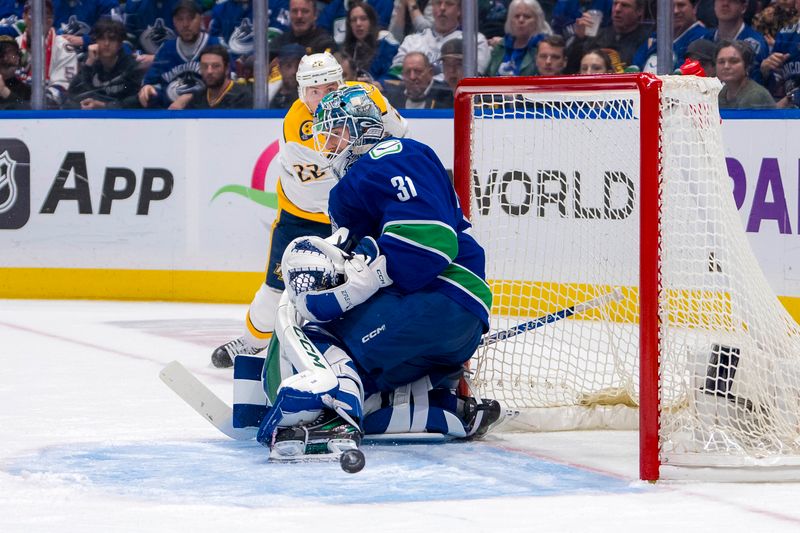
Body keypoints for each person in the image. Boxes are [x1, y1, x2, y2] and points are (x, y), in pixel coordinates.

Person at [241, 85, 503, 455]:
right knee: (369, 387)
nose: (328, 146)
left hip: (438, 297)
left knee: (322, 338)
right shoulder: (348, 189)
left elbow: (430, 243)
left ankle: (335, 416)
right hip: (450, 322)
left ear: (362, 126)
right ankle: (447, 412)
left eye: (335, 132)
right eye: (324, 137)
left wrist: (360, 283)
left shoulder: (391, 153)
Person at [210, 51, 408, 368]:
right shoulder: (298, 127)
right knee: (276, 288)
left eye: (329, 88)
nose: (321, 97)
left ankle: (359, 347)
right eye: (314, 91)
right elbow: (336, 172)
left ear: (341, 83)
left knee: (366, 284)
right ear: (302, 91)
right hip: (303, 216)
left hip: (353, 215)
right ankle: (249, 343)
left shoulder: (367, 97)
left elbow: (400, 134)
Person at [138, 0, 220, 109]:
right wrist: (147, 87)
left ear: (200, 19)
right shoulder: (166, 49)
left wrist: (189, 98)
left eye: (190, 18)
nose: (185, 24)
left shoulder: (215, 45)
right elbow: (150, 81)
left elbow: (225, 86)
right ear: (174, 22)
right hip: (170, 112)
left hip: (205, 112)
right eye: (180, 19)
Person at [390, 0, 491, 78]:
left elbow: (473, 77)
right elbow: (396, 72)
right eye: (438, 3)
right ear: (432, 7)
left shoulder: (475, 41)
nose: (442, 8)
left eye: (449, 3)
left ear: (459, 10)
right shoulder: (411, 41)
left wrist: (425, 80)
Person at [65, 18, 143, 109]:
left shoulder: (130, 65)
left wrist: (104, 106)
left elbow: (136, 99)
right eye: (102, 39)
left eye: (112, 39)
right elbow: (74, 94)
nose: (106, 44)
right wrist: (89, 64)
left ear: (120, 44)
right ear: (95, 41)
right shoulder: (90, 61)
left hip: (122, 118)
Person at [16, 0, 78, 108]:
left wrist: (26, 103)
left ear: (51, 20)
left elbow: (62, 88)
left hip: (52, 114)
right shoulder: (15, 45)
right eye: (32, 14)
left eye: (46, 14)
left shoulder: (64, 47)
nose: (39, 19)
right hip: (14, 109)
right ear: (24, 17)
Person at [566, 0, 652, 72]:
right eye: (615, 4)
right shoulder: (597, 35)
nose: (617, 9)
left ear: (639, 11)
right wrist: (579, 38)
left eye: (625, 5)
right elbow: (571, 69)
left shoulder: (648, 40)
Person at [632, 0, 710, 73]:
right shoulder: (655, 37)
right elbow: (636, 65)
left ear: (694, 8)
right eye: (670, 6)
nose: (675, 11)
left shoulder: (703, 37)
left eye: (681, 5)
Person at [705, 0, 768, 81]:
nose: (725, 4)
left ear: (744, 7)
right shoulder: (705, 38)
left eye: (732, 0)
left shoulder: (755, 43)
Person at [486, 0, 552, 77]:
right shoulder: (501, 46)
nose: (521, 20)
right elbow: (488, 75)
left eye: (527, 16)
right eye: (517, 16)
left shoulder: (544, 47)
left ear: (537, 21)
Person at [342, 2, 399, 83]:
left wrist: (377, 84)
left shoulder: (385, 42)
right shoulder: (348, 48)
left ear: (371, 21)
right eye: (354, 20)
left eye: (363, 19)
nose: (358, 23)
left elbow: (395, 76)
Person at [184, 44, 253, 109]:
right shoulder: (196, 98)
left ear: (227, 69)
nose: (209, 71)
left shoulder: (242, 97)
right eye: (204, 66)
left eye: (215, 66)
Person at [760, 0, 800, 105]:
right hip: (788, 111)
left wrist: (791, 98)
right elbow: (774, 82)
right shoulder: (785, 34)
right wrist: (765, 70)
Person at [269, 0, 337, 60]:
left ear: (315, 15)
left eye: (305, 11)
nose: (299, 16)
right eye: (294, 11)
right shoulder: (279, 43)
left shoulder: (325, 43)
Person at [716, 40, 775, 108]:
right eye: (721, 62)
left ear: (747, 66)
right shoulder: (720, 93)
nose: (726, 66)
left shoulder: (756, 96)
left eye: (734, 61)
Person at [382, 51, 452, 108]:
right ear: (402, 75)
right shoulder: (392, 99)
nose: (412, 77)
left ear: (430, 73)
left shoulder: (446, 95)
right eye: (407, 72)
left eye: (418, 71)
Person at [317, 0, 393, 45]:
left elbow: (379, 30)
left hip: (370, 55)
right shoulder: (335, 6)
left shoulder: (382, 2)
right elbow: (321, 33)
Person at [268, 42, 305, 108]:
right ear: (280, 68)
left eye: (298, 66)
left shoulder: (311, 98)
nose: (293, 71)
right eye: (288, 66)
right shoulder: (268, 93)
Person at [0, 35, 28, 109]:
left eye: (12, 52)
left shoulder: (25, 89)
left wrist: (4, 91)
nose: (5, 57)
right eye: (2, 53)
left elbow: (29, 112)